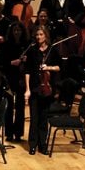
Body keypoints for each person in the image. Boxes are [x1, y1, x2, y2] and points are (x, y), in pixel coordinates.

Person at [24, 27, 61, 155]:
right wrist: (27, 89)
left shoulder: (53, 50)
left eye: (41, 34)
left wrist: (48, 67)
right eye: (37, 35)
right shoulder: (32, 51)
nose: (38, 37)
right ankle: (33, 144)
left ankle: (43, 144)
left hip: (47, 89)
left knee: (44, 118)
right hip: (35, 87)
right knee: (34, 118)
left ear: (46, 35)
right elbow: (27, 71)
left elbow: (59, 67)